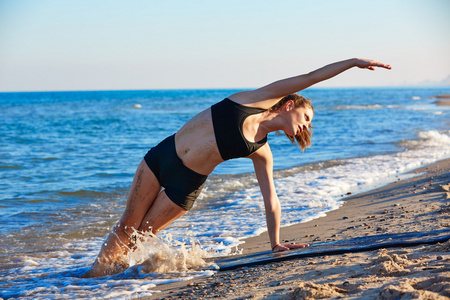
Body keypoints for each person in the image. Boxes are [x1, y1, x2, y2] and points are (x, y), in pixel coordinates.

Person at [84, 58, 391, 277]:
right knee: (127, 226)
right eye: (306, 117)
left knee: (141, 234)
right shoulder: (254, 100)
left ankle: (107, 281)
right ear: (289, 105)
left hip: (186, 185)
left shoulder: (262, 152)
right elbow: (311, 76)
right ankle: (92, 280)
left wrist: (275, 244)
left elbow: (271, 199)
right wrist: (351, 63)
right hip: (162, 157)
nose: (306, 126)